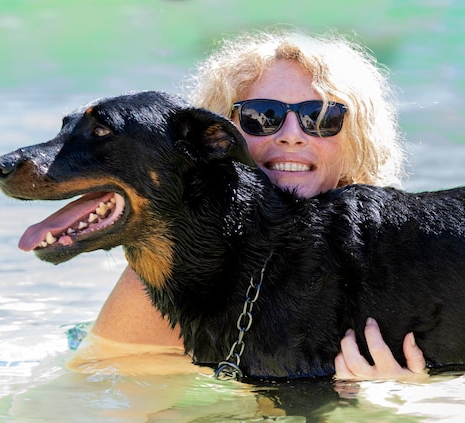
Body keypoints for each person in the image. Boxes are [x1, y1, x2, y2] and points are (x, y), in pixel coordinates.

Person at [80, 28, 427, 380]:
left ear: (356, 144)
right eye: (261, 117)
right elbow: (93, 390)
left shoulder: (398, 264)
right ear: (216, 137)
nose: (292, 134)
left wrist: (397, 392)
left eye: (321, 119)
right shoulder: (172, 273)